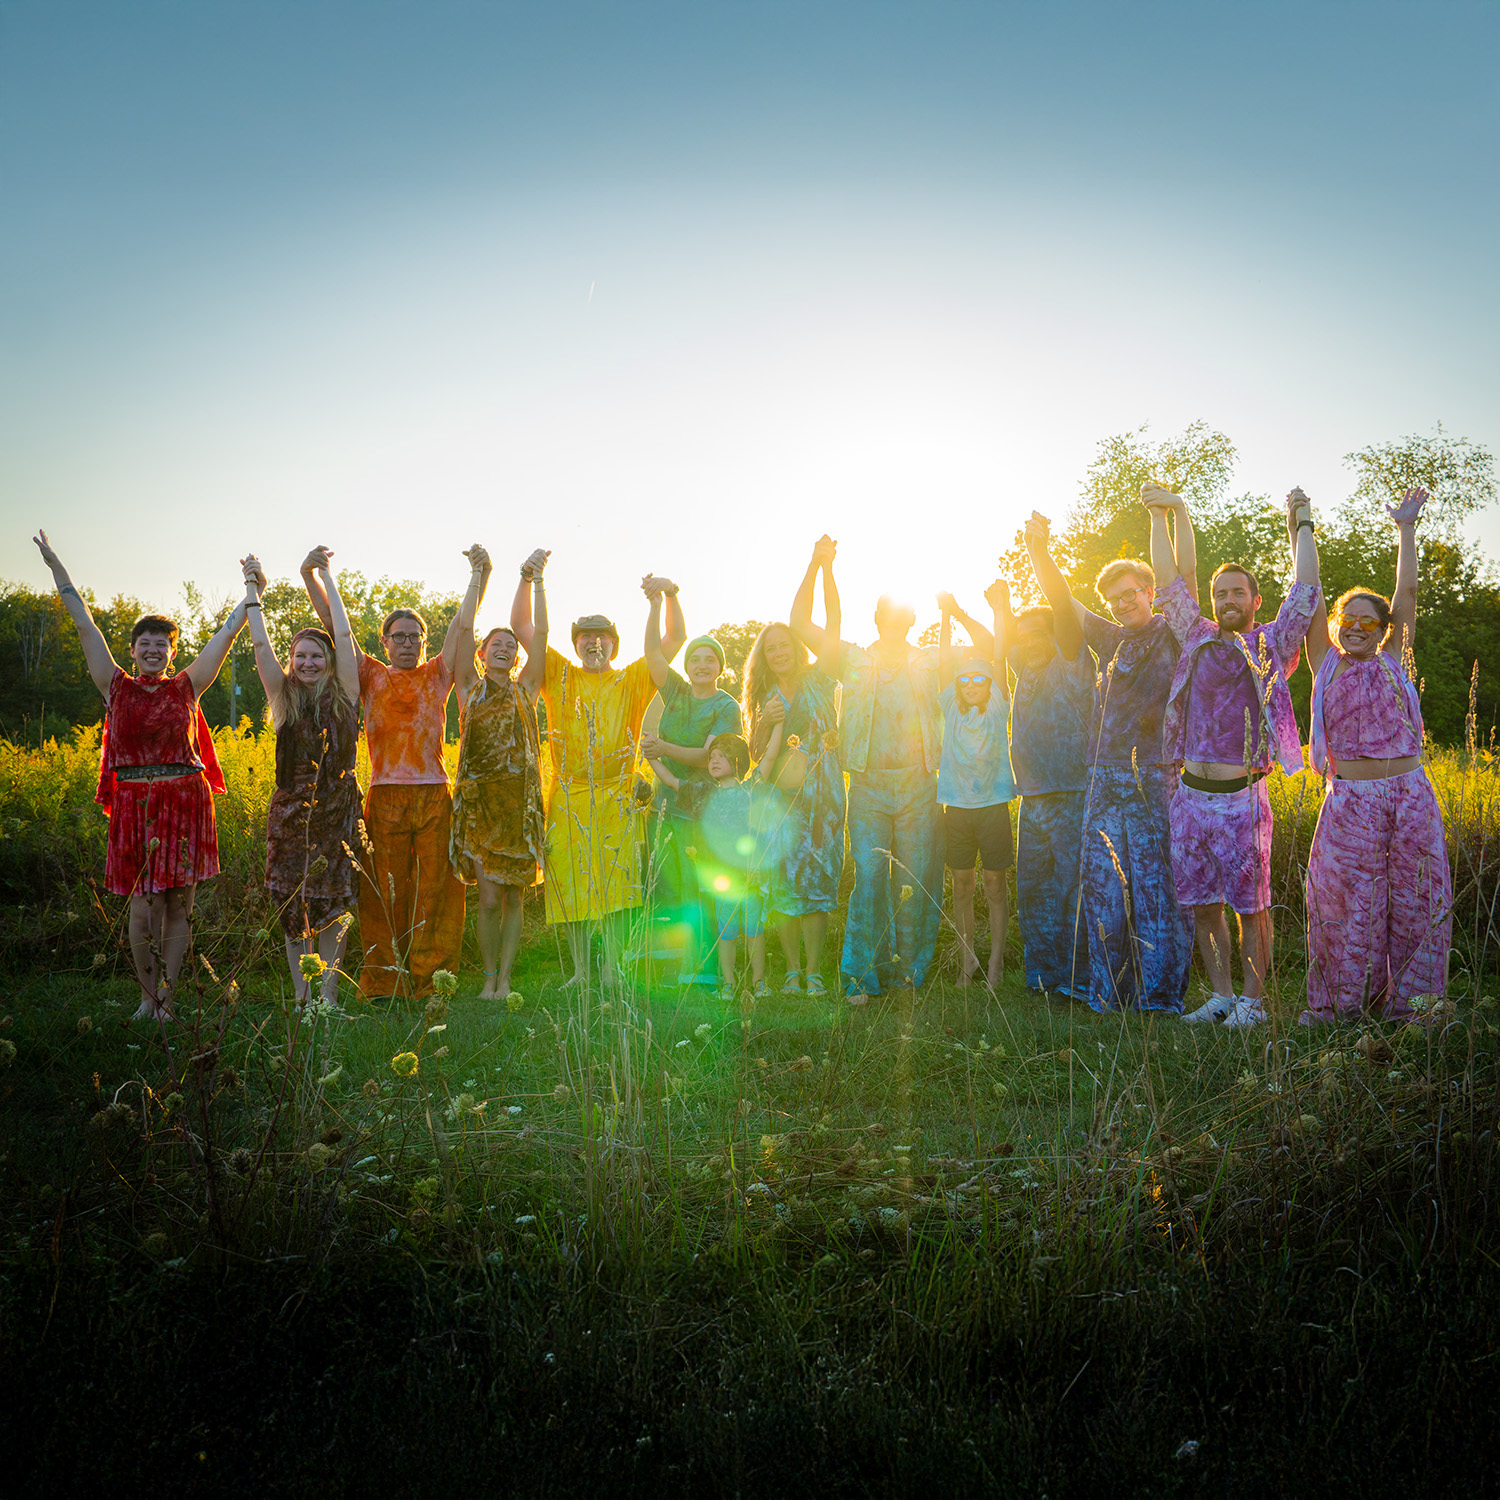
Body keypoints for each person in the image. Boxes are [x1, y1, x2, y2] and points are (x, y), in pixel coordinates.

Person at [32, 530, 247, 1020]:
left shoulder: (188, 686)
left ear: (173, 651)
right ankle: (145, 998)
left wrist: (250, 592)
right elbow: (84, 623)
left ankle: (167, 1002)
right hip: (133, 803)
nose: (153, 650)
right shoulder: (114, 686)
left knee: (178, 904)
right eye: (144, 643)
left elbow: (226, 636)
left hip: (186, 800)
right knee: (141, 907)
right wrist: (56, 568)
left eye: (162, 644)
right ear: (132, 650)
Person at [1149, 486, 1323, 1028]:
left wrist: (1303, 523)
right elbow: (1171, 580)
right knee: (1203, 906)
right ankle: (1221, 996)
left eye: (1237, 593)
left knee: (1252, 909)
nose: (1226, 599)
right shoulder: (1196, 636)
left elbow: (1307, 591)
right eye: (1220, 592)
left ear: (1254, 601)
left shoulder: (1272, 646)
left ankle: (1252, 1001)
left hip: (1242, 802)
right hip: (1190, 799)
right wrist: (1165, 513)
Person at [1024, 500, 1193, 1013]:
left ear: (1149, 592)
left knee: (1155, 893)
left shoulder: (1175, 632)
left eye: (1130, 594)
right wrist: (1039, 553)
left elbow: (1183, 573)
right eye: (1113, 599)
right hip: (1102, 780)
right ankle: (1108, 995)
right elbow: (1062, 600)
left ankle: (1159, 998)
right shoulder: (1111, 639)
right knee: (1103, 893)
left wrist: (1168, 517)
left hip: (1153, 778)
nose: (1122, 604)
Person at [303, 545, 485, 1003]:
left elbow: (463, 627)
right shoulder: (371, 676)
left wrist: (479, 575)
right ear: (384, 642)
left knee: (436, 889)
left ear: (424, 643)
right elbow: (337, 631)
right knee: (382, 890)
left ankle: (430, 979)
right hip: (384, 797)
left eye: (414, 636)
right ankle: (385, 980)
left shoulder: (436, 674)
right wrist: (316, 575)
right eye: (398, 636)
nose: (407, 643)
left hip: (432, 795)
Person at [1301, 488, 1452, 1025]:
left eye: (1370, 620)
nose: (1357, 626)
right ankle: (1342, 1006)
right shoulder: (1327, 663)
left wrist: (1406, 529)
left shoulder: (1395, 656)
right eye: (1349, 619)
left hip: (1411, 796)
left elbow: (1406, 590)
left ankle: (1415, 1008)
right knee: (1344, 902)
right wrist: (1303, 524)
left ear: (1385, 630)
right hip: (1352, 801)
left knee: (1418, 900)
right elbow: (1311, 593)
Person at [791, 536, 944, 1006]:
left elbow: (990, 661)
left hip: (918, 784)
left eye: (903, 614)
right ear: (876, 618)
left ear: (912, 619)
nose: (894, 619)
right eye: (886, 613)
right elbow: (801, 623)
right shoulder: (854, 658)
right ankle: (861, 975)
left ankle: (911, 972)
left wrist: (956, 613)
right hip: (869, 784)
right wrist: (822, 566)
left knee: (916, 877)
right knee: (870, 876)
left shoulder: (931, 660)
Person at [512, 557, 677, 988]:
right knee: (570, 885)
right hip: (567, 795)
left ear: (613, 644)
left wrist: (668, 596)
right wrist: (526, 579)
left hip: (619, 793)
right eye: (585, 636)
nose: (593, 642)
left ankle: (612, 969)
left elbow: (673, 637)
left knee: (619, 888)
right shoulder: (558, 673)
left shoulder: (633, 679)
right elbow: (521, 626)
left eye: (601, 636)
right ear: (576, 643)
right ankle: (583, 973)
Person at [243, 550, 362, 1009]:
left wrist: (326, 575)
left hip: (338, 817)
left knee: (334, 909)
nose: (308, 662)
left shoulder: (347, 693)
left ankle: (327, 997)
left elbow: (346, 632)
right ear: (291, 660)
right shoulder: (283, 695)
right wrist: (254, 593)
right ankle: (302, 996)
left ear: (330, 661)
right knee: (295, 910)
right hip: (292, 817)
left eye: (316, 656)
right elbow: (259, 648)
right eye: (300, 656)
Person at [450, 549, 549, 1002]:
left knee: (514, 901)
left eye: (511, 645)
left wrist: (536, 580)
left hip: (519, 810)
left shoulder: (527, 690)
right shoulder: (468, 689)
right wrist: (476, 575)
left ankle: (505, 978)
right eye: (497, 644)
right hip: (479, 810)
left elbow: (541, 635)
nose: (505, 649)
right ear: (483, 652)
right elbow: (464, 629)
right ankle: (488, 975)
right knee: (488, 900)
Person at [637, 595, 742, 986]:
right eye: (695, 658)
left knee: (702, 883)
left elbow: (708, 756)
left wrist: (661, 750)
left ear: (719, 667)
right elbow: (651, 651)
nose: (701, 664)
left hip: (703, 806)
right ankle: (678, 965)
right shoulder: (676, 691)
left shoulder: (726, 706)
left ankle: (708, 968)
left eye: (710, 659)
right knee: (668, 883)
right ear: (687, 666)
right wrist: (658, 601)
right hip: (666, 802)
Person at [741, 618, 846, 997]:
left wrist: (824, 566)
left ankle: (814, 971)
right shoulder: (764, 696)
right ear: (764, 658)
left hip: (823, 804)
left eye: (784, 644)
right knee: (784, 886)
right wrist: (766, 723)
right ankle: (790, 970)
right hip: (780, 808)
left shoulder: (819, 680)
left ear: (797, 647)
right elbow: (754, 756)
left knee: (817, 885)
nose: (779, 652)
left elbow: (832, 633)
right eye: (771, 649)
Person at [1004, 593, 1095, 1000]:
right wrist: (1000, 607)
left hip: (1071, 794)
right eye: (1022, 638)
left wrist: (1039, 554)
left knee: (1071, 889)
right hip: (1031, 799)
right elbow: (1005, 639)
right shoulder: (1024, 667)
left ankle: (1078, 978)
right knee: (1033, 890)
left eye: (1037, 635)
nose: (1028, 643)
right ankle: (1043, 976)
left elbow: (1064, 617)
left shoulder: (1070, 664)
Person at [935, 583, 1015, 989]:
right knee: (962, 884)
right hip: (958, 810)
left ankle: (997, 963)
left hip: (994, 806)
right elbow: (947, 658)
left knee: (995, 883)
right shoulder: (949, 705)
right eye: (964, 678)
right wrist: (948, 615)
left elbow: (999, 656)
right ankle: (968, 961)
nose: (969, 683)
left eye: (977, 679)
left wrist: (1001, 609)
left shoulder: (998, 705)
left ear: (988, 685)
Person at [693, 733, 768, 997]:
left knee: (754, 929)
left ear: (737, 761)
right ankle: (729, 982)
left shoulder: (749, 791)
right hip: (722, 877)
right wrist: (653, 757)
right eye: (711, 757)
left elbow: (767, 763)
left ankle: (759, 981)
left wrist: (777, 724)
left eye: (721, 756)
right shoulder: (707, 794)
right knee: (726, 930)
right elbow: (672, 782)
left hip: (749, 876)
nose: (713, 761)